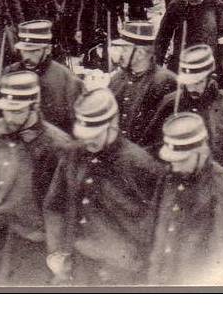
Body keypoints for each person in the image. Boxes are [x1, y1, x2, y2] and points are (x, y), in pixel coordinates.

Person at [44, 88, 165, 285]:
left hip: (122, 273)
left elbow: (158, 223)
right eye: (84, 134)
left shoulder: (139, 164)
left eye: (95, 134)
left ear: (112, 127)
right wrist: (56, 252)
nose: (88, 140)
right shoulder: (73, 155)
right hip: (78, 267)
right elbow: (54, 205)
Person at [0, 71, 70, 286]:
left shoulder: (57, 144)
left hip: (31, 242)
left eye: (17, 111)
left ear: (34, 107)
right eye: (6, 111)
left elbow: (62, 203)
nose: (10, 118)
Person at [148, 112, 223, 284]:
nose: (174, 166)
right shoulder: (168, 179)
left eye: (181, 160)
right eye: (170, 160)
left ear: (202, 152)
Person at [144, 44, 223, 171]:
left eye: (198, 82)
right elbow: (151, 147)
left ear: (210, 78)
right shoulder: (170, 103)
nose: (192, 88)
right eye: (188, 83)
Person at [3, 20, 83, 134]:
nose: (27, 56)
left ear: (48, 50)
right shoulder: (10, 73)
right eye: (24, 50)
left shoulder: (67, 80)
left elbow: (78, 127)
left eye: (34, 51)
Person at [107, 20, 177, 143]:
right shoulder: (117, 79)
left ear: (139, 53)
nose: (119, 54)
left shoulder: (165, 82)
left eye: (124, 49)